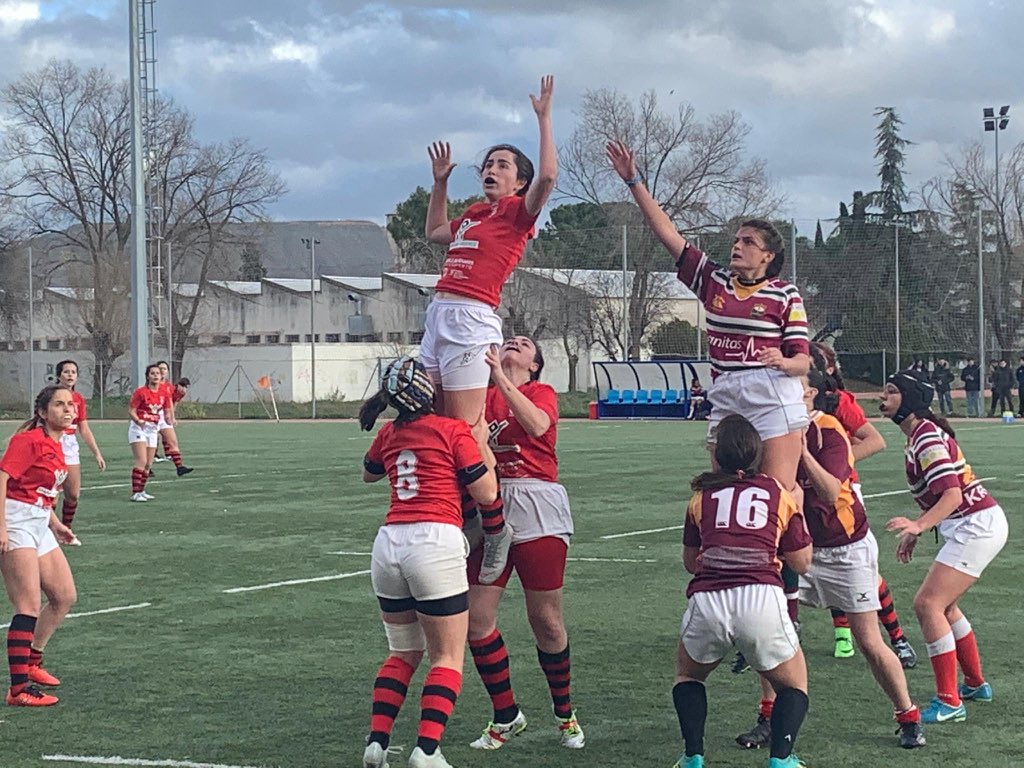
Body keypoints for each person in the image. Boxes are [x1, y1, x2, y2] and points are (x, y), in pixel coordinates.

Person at [606, 142, 809, 503]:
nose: (737, 245)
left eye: (748, 242)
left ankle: (790, 560)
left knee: (777, 495)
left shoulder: (784, 294)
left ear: (768, 255)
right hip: (726, 391)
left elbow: (802, 361)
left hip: (771, 393)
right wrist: (634, 181)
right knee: (721, 493)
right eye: (736, 239)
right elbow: (668, 234)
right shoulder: (714, 281)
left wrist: (783, 362)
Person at [737, 370, 926, 752]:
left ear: (808, 394)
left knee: (869, 641)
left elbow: (828, 490)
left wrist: (801, 452)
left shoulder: (829, 430)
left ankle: (908, 715)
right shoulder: (773, 433)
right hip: (798, 545)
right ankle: (769, 718)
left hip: (845, 547)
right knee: (772, 633)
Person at [423, 76, 556, 584]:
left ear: (518, 182)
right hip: (439, 315)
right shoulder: (475, 214)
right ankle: (457, 509)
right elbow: (435, 232)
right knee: (431, 418)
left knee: (466, 427)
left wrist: (543, 119)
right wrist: (439, 182)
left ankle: (494, 525)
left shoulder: (518, 214)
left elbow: (547, 178)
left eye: (502, 164)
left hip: (472, 318)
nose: (490, 170)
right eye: (488, 164)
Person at [359, 356, 498, 768]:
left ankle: (376, 743)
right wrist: (482, 444)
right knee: (447, 657)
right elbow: (488, 493)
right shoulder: (451, 429)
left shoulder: (388, 432)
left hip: (389, 543)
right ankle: (427, 750)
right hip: (434, 540)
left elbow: (369, 473)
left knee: (402, 653)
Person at [671, 414, 812, 768]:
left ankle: (692, 757)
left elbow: (691, 562)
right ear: (757, 455)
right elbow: (801, 563)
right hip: (760, 597)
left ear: (717, 454)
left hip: (709, 598)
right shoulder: (777, 492)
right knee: (793, 685)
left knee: (689, 676)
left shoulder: (701, 496)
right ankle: (781, 760)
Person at [465, 336, 583, 752]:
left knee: (546, 620)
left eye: (523, 344)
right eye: (508, 340)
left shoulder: (540, 392)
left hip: (537, 501)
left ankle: (564, 713)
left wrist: (499, 376)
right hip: (492, 504)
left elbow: (536, 425)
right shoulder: (480, 395)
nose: (512, 344)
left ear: (534, 365)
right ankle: (506, 714)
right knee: (476, 621)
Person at [883, 372, 1008, 724]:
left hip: (977, 524)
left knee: (927, 604)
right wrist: (919, 529)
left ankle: (950, 702)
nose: (883, 396)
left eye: (892, 392)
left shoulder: (925, 437)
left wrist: (919, 525)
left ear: (909, 401)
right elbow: (943, 495)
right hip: (975, 523)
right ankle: (973, 684)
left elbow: (952, 494)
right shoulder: (919, 435)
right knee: (945, 606)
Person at [807, 343, 917, 668]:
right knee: (805, 559)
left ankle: (894, 637)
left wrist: (836, 460)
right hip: (804, 487)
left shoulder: (839, 402)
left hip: (840, 489)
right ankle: (835, 633)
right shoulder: (786, 402)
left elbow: (876, 440)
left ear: (824, 370)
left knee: (855, 566)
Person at [1, 384, 80, 706]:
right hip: (15, 521)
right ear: (43, 413)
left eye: (70, 404)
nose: (67, 409)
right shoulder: (28, 440)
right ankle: (18, 689)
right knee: (28, 606)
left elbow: (41, 494)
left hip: (37, 522)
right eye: (59, 405)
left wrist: (57, 525)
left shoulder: (57, 444)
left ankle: (32, 663)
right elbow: (2, 479)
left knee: (64, 597)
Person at [54, 360, 105, 532]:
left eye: (73, 372)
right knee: (52, 496)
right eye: (66, 372)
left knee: (73, 494)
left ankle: (66, 527)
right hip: (52, 445)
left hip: (69, 446)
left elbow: (84, 428)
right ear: (58, 375)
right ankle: (47, 531)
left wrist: (96, 453)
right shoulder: (50, 396)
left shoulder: (78, 399)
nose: (70, 375)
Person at [128, 364, 170, 502]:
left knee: (149, 463)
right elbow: (131, 410)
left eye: (158, 373)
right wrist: (138, 420)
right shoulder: (141, 392)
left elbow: (166, 409)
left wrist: (170, 419)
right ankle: (135, 492)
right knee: (142, 460)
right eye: (152, 373)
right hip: (139, 428)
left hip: (152, 429)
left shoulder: (163, 393)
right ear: (147, 376)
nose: (156, 376)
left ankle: (141, 490)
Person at [153, 361, 193, 477]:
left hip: (163, 417)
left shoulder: (169, 387)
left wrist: (171, 416)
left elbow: (170, 402)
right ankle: (146, 468)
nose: (162, 371)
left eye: (164, 369)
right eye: (160, 368)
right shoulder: (151, 385)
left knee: (173, 441)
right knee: (151, 446)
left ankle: (179, 467)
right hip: (151, 417)